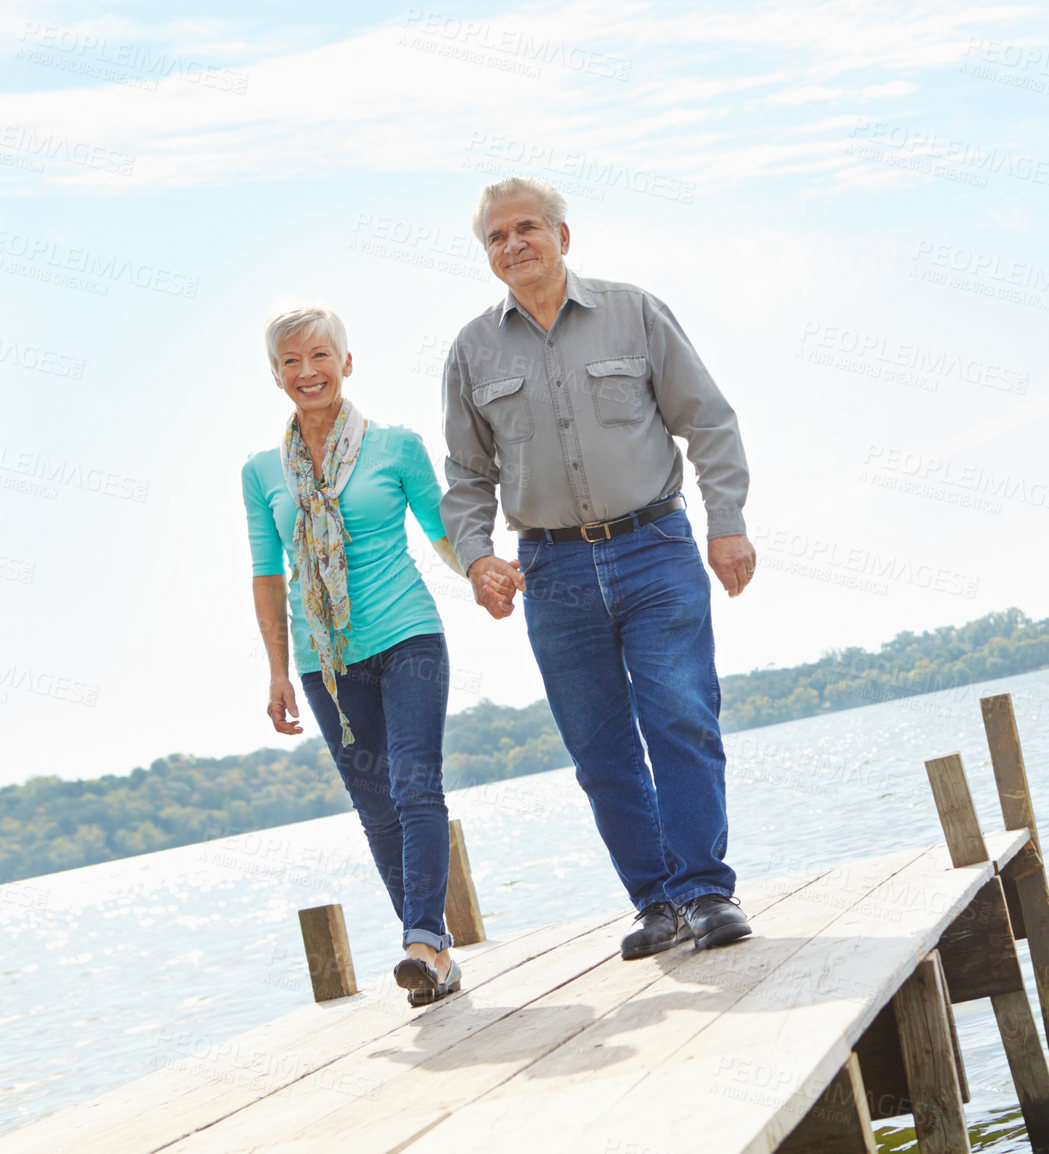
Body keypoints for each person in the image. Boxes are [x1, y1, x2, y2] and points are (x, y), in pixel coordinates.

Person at [441, 176, 757, 959]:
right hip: (554, 570)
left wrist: (728, 525)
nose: (513, 245)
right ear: (487, 255)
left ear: (562, 236)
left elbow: (708, 421)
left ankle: (706, 891)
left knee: (681, 714)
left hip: (654, 547)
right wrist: (478, 559)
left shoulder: (634, 312)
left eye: (526, 229)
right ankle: (656, 902)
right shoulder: (472, 350)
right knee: (598, 746)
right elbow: (465, 476)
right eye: (496, 237)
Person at [243, 305, 466, 1005]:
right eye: (290, 362)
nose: (307, 372)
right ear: (275, 375)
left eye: (319, 356)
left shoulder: (395, 446)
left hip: (407, 638)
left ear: (347, 362)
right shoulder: (260, 472)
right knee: (376, 806)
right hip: (324, 662)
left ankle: (423, 941)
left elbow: (441, 531)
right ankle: (433, 959)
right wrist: (278, 670)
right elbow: (267, 573)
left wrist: (485, 571)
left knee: (413, 783)